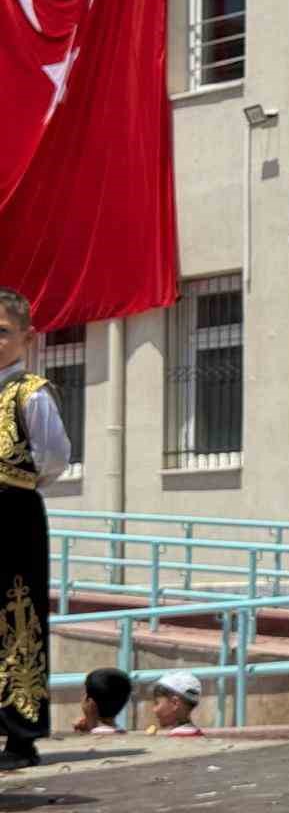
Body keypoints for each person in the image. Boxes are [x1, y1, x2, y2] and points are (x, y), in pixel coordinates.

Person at [0, 288, 72, 771]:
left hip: (12, 512)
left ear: (27, 337)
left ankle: (21, 736)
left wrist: (15, 484)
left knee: (18, 619)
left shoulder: (31, 392)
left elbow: (55, 458)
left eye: (3, 331)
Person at [73, 667, 132, 734]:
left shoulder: (97, 733)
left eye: (84, 693)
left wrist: (91, 724)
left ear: (90, 702)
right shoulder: (120, 731)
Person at [147, 671, 203, 737]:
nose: (154, 710)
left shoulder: (176, 738)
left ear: (175, 703)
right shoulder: (197, 734)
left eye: (157, 703)